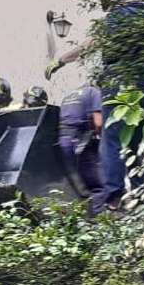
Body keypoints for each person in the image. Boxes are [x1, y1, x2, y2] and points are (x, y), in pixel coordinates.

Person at [43, 0, 144, 208]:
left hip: (118, 82)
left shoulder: (115, 18)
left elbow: (90, 44)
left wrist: (60, 60)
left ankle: (114, 196)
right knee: (139, 140)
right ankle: (142, 196)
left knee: (112, 140)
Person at [58, 83, 107, 215]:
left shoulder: (69, 95)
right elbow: (98, 123)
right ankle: (99, 220)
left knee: (78, 186)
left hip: (62, 142)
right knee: (97, 186)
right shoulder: (94, 92)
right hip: (78, 142)